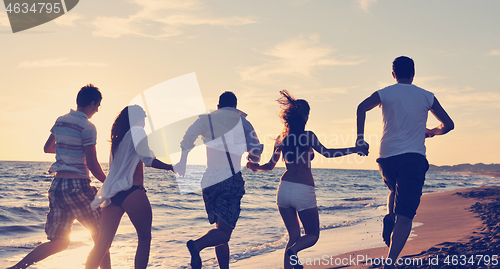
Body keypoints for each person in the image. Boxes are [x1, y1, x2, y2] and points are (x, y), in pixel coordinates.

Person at [246, 90, 368, 269]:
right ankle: (293, 253)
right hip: (303, 190)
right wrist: (353, 149)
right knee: (312, 235)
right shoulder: (308, 136)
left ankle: (291, 255)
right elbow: (328, 153)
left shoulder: (281, 138)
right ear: (304, 117)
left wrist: (255, 167)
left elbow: (270, 166)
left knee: (293, 237)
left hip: (284, 189)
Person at [356, 56, 454, 268]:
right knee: (406, 214)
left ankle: (390, 216)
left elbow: (361, 107)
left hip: (386, 159)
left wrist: (360, 138)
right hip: (412, 159)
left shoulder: (385, 93)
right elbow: (448, 124)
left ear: (393, 74)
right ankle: (390, 262)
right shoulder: (427, 96)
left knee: (395, 190)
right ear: (413, 74)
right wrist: (432, 132)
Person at [8, 84, 111, 269]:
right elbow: (93, 163)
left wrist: (67, 148)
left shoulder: (60, 121)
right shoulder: (88, 126)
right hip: (77, 185)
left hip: (57, 187)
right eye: (98, 106)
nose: (97, 110)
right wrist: (109, 182)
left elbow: (47, 148)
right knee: (102, 237)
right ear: (93, 103)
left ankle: (17, 267)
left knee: (60, 242)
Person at [174, 91, 263, 269]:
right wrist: (252, 160)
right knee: (225, 233)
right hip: (230, 177)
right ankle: (196, 245)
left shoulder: (205, 120)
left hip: (209, 178)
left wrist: (182, 161)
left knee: (220, 227)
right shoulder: (243, 123)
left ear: (218, 106)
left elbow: (188, 137)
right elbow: (256, 151)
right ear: (235, 106)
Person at [85, 105, 174, 269]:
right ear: (138, 118)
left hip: (112, 195)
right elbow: (148, 160)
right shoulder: (138, 132)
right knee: (144, 238)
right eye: (144, 117)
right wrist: (171, 166)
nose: (145, 121)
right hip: (132, 191)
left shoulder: (118, 140)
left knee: (102, 245)